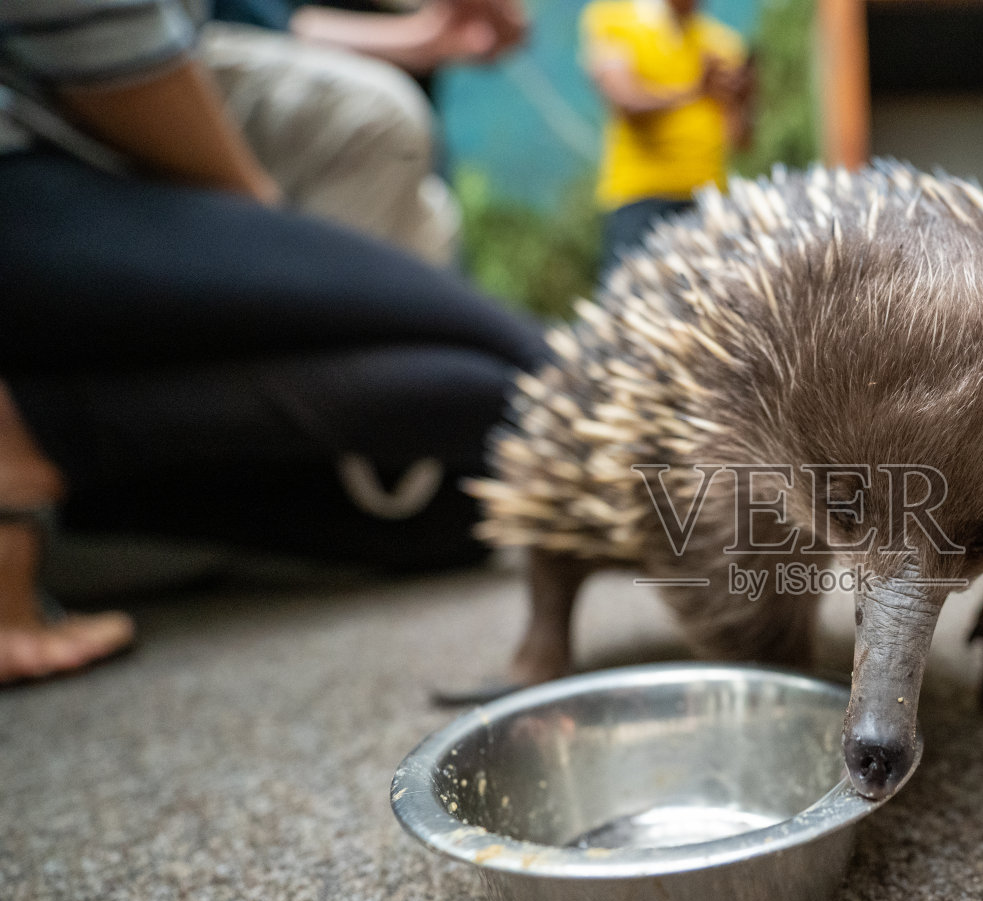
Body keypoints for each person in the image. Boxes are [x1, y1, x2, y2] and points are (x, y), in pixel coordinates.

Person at [0, 0, 551, 684]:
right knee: (527, 368)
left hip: (101, 147)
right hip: (31, 172)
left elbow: (235, 16)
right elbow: (98, 43)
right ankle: (22, 454)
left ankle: (59, 445)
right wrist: (273, 250)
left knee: (458, 497)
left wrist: (416, 37)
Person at [199, 0, 527, 264]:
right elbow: (255, 28)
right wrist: (421, 38)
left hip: (410, 162)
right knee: (383, 126)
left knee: (437, 223)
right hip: (268, 142)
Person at [581, 0, 753, 273]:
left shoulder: (722, 42)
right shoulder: (613, 21)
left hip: (708, 200)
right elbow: (627, 103)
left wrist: (741, 101)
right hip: (639, 198)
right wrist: (694, 91)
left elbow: (741, 139)